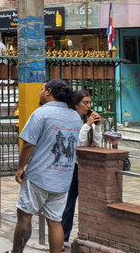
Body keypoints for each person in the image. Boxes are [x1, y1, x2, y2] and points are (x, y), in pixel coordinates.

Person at [9, 79, 82, 253]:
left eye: (42, 89)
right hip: (62, 178)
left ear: (48, 92)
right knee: (55, 221)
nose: (40, 92)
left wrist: (20, 168)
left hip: (39, 176)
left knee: (24, 217)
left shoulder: (41, 113)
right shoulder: (74, 116)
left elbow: (28, 144)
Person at [61, 90, 102, 244]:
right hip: (71, 166)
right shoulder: (71, 120)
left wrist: (97, 126)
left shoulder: (87, 120)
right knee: (69, 203)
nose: (89, 106)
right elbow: (76, 144)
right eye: (85, 103)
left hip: (85, 166)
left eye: (90, 102)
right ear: (76, 104)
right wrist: (87, 125)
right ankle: (62, 238)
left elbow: (96, 143)